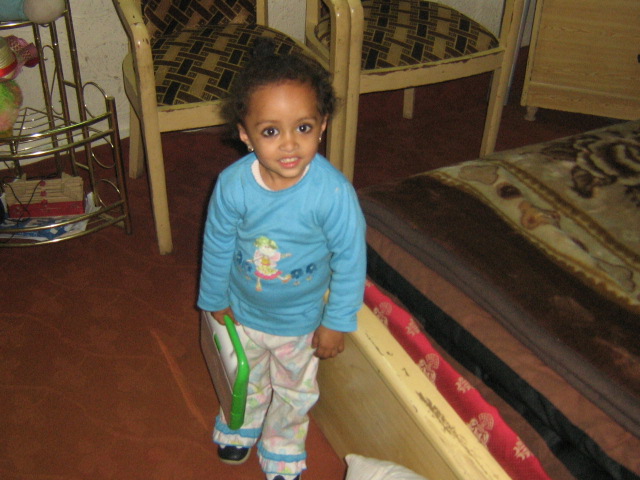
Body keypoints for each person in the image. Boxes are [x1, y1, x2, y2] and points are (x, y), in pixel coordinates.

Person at [197, 38, 366, 480]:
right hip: (242, 309)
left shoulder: (333, 194)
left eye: (303, 128)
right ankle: (241, 422)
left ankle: (283, 443)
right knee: (245, 376)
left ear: (322, 125)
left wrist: (337, 320)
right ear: (245, 133)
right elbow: (216, 242)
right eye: (271, 131)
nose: (289, 145)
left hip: (300, 321)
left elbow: (350, 259)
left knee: (294, 390)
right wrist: (214, 296)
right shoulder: (232, 184)